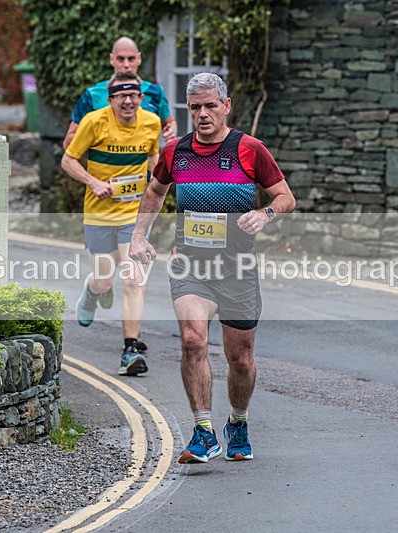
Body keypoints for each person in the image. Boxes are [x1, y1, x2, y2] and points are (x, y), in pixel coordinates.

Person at [129, 73, 296, 463]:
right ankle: (203, 430)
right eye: (194, 108)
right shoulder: (176, 152)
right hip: (190, 265)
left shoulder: (250, 149)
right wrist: (139, 236)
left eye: (210, 106)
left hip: (236, 269)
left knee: (240, 358)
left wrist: (266, 212)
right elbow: (154, 192)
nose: (202, 115)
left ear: (226, 106)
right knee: (192, 340)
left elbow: (286, 196)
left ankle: (237, 421)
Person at [61, 71, 162, 376]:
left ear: (141, 98)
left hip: (133, 215)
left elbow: (153, 161)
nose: (128, 101)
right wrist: (92, 181)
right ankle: (92, 292)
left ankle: (129, 351)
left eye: (134, 95)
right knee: (105, 280)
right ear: (112, 99)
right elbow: (68, 160)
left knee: (133, 280)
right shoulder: (94, 122)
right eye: (122, 96)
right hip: (99, 215)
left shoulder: (151, 123)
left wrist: (157, 187)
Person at [62, 37, 177, 150]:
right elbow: (68, 143)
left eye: (131, 59)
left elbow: (170, 123)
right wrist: (95, 137)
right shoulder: (93, 94)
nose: (126, 65)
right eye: (120, 59)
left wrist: (171, 132)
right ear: (112, 59)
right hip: (107, 164)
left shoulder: (155, 92)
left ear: (139, 59)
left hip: (144, 166)